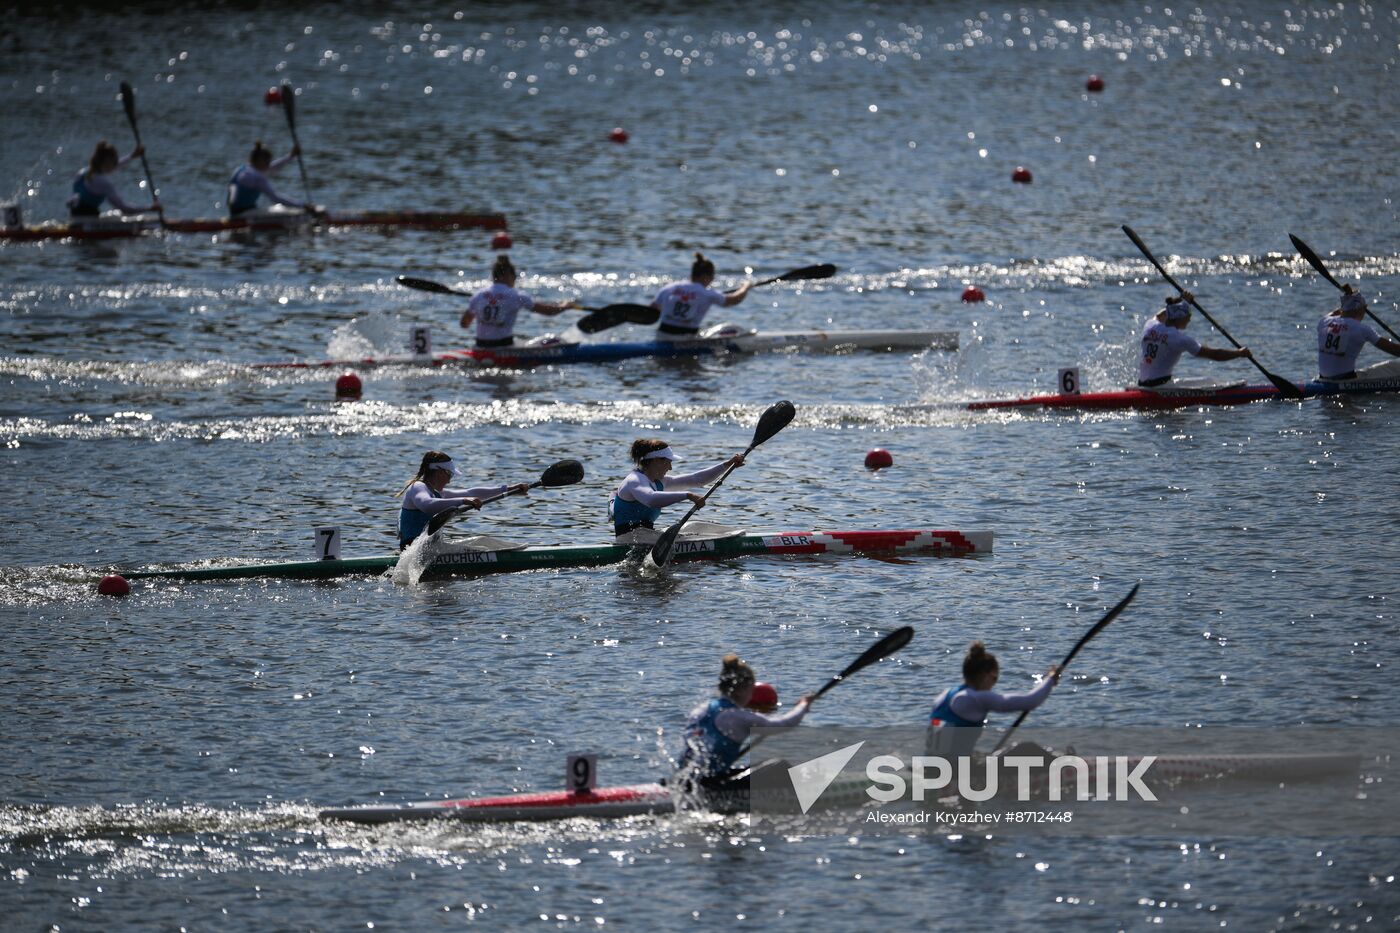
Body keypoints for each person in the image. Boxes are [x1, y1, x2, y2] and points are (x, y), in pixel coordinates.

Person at [677, 654, 812, 789]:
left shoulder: (701, 709)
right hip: (711, 787)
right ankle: (805, 794)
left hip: (685, 781)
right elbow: (784, 724)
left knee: (742, 769)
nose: (752, 694)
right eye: (752, 689)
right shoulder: (737, 716)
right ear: (742, 690)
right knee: (779, 766)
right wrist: (803, 705)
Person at [927, 641, 1060, 760]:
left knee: (984, 754)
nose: (993, 685)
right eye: (995, 678)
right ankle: (1067, 768)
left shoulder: (944, 696)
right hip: (956, 775)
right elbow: (1031, 701)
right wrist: (1050, 679)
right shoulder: (975, 698)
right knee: (1028, 749)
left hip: (931, 768)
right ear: (986, 675)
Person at [609, 438, 744, 538]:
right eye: (668, 462)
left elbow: (696, 479)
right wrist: (688, 495)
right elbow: (650, 499)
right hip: (629, 538)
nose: (671, 468)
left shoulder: (659, 481)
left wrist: (728, 464)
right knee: (687, 537)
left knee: (695, 526)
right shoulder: (634, 480)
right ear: (656, 461)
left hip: (646, 535)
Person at [397, 451, 528, 549]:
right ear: (439, 471)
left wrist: (509, 489)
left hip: (429, 548)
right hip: (415, 550)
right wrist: (463, 500)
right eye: (450, 474)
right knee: (481, 546)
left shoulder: (436, 493)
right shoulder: (418, 487)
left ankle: (518, 550)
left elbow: (472, 492)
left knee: (481, 541)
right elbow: (426, 505)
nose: (449, 480)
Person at [461, 256, 578, 348]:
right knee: (555, 340)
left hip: (480, 346)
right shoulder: (516, 296)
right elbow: (549, 312)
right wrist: (564, 306)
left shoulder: (478, 295)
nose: (515, 281)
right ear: (508, 275)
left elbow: (464, 324)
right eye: (515, 277)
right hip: (503, 346)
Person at [1138, 293, 1251, 387]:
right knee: (1209, 382)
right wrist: (1239, 353)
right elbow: (1215, 355)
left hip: (1142, 384)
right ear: (1181, 317)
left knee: (1206, 381)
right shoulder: (1180, 339)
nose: (1190, 320)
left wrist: (1184, 301)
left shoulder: (1150, 324)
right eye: (1189, 316)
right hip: (1160, 387)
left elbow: (1161, 314)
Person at [653, 252, 753, 336]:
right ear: (705, 276)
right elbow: (734, 300)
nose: (712, 280)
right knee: (729, 328)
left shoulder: (669, 288)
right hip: (685, 338)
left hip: (662, 335)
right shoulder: (707, 294)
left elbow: (652, 309)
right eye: (712, 277)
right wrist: (745, 287)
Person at [1317, 286, 1400, 381]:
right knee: (1393, 367)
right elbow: (1395, 350)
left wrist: (1348, 298)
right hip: (1347, 380)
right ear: (1359, 309)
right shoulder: (1363, 329)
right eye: (1364, 308)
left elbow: (1336, 312)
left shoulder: (1324, 321)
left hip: (1323, 379)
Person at [67, 141, 159, 218]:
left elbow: (115, 166)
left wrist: (132, 156)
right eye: (114, 161)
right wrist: (150, 208)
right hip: (90, 220)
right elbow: (124, 208)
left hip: (75, 217)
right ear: (107, 162)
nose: (116, 165)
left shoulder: (82, 173)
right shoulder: (103, 183)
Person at [227, 141, 315, 217]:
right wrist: (303, 205)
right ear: (260, 160)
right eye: (268, 162)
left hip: (234, 212)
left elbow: (273, 167)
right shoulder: (257, 177)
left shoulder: (241, 170)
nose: (269, 165)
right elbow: (276, 198)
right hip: (245, 213)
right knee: (285, 210)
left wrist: (291, 156)